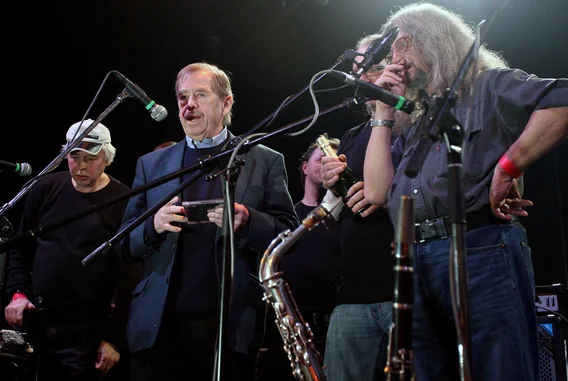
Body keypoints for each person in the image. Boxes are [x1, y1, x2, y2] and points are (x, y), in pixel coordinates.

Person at [361, 3, 568, 381]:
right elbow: (376, 192)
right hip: (414, 259)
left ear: (433, 40)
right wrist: (383, 112)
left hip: (480, 246)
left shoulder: (487, 86)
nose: (395, 59)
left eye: (402, 44)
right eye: (391, 50)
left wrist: (509, 166)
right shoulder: (414, 117)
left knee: (501, 369)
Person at [121, 62, 298, 381]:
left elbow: (289, 234)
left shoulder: (264, 160)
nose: (189, 105)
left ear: (226, 102)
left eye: (200, 95)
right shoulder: (152, 164)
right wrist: (153, 225)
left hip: (228, 326)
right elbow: (124, 242)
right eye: (182, 97)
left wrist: (247, 220)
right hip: (159, 326)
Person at [4, 119, 131, 380]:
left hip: (85, 330)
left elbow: (129, 276)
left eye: (90, 158)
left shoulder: (125, 201)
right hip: (35, 319)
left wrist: (114, 338)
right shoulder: (44, 187)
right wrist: (18, 293)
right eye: (75, 157)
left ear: (107, 158)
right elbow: (20, 248)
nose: (81, 166)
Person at [319, 34, 403, 381]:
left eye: (376, 67)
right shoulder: (352, 135)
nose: (365, 77)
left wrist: (382, 192)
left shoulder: (414, 125)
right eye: (359, 70)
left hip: (405, 291)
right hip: (352, 292)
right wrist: (330, 183)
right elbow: (334, 220)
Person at [256, 134, 343, 381]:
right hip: (289, 329)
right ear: (304, 167)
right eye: (321, 158)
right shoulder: (287, 218)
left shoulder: (346, 218)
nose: (329, 163)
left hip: (332, 328)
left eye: (334, 159)